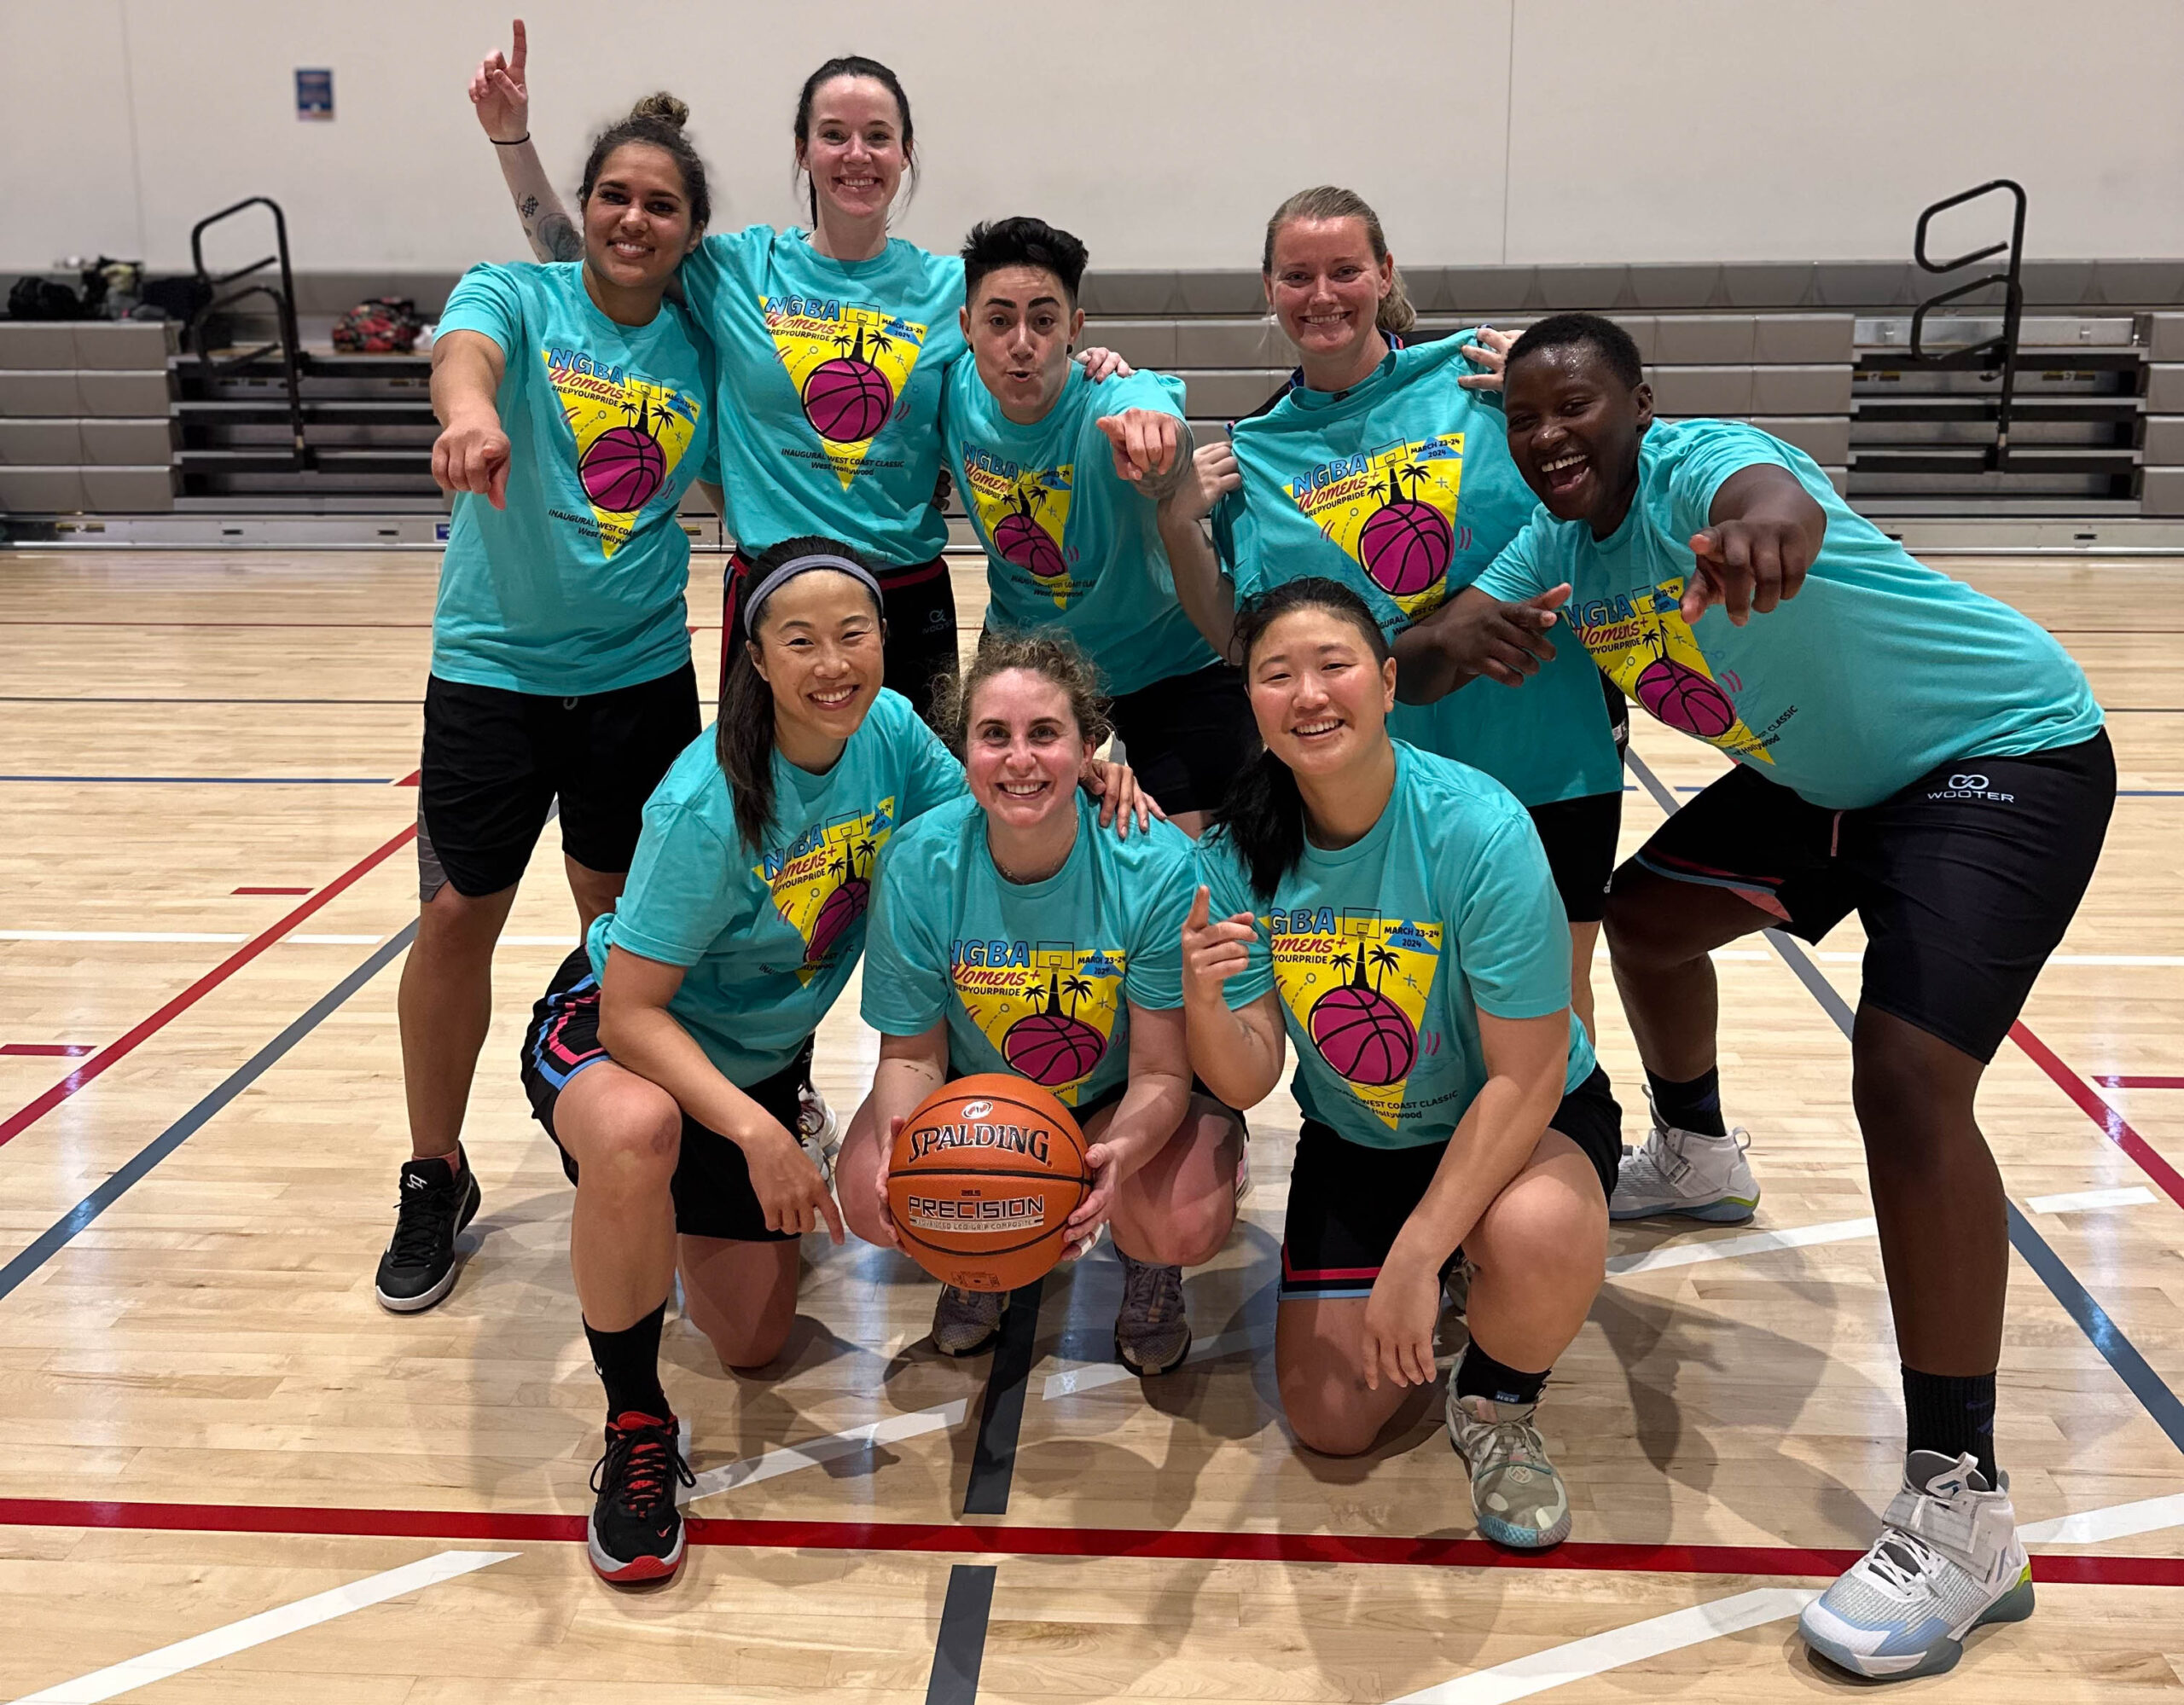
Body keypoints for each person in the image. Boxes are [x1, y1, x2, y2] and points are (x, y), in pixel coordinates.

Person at [1462, 313, 2111, 1676]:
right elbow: (1439, 642)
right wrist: (1434, 634)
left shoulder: (1709, 469)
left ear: (1642, 405)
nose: (1548, 436)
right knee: (1646, 919)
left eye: (1575, 406)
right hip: (1839, 791)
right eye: (1524, 419)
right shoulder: (1564, 556)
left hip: (2003, 756)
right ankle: (1696, 1152)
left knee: (1907, 1075)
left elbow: (1770, 499)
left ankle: (1964, 1503)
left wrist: (1768, 532)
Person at [515, 541, 1155, 1583]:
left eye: (853, 635)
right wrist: (760, 1131)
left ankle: (661, 1207)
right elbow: (634, 1011)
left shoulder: (892, 733)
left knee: (755, 1340)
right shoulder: (705, 803)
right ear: (755, 659)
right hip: (620, 1036)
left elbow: (1003, 796)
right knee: (639, 1133)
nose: (832, 662)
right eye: (799, 640)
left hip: (758, 1061)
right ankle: (635, 1426)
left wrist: (1094, 762)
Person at [468, 25, 1130, 723]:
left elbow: (1027, 356)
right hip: (774, 595)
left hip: (904, 596)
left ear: (905, 154)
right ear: (802, 150)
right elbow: (595, 256)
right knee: (769, 821)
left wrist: (1094, 366)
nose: (857, 155)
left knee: (912, 817)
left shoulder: (952, 292)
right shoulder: (734, 271)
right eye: (834, 134)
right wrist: (513, 142)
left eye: (878, 135)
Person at [1184, 577, 1620, 1551]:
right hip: (1362, 1135)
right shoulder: (1236, 851)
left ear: (1386, 682)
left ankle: (1498, 1402)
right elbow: (1249, 1080)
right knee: (1330, 1423)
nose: (1308, 694)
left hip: (1519, 1115)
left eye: (1333, 666)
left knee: (1538, 1230)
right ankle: (1460, 1261)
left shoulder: (1478, 829)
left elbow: (1528, 1074)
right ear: (1249, 699)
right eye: (1276, 674)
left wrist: (1418, 1253)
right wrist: (1210, 1003)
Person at [374, 96, 718, 1315]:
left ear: (690, 231)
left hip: (635, 672)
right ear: (585, 209)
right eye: (615, 195)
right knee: (460, 910)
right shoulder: (517, 296)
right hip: (491, 669)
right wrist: (467, 414)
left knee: (621, 926)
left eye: (660, 203)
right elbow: (463, 356)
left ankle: (624, 1138)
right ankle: (435, 1168)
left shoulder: (700, 341)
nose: (634, 218)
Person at [1153, 186, 1624, 1035]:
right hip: (1382, 775)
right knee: (1435, 995)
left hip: (1541, 742)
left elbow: (1604, 477)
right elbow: (1237, 637)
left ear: (1384, 273)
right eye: (1298, 275)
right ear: (1268, 289)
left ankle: (1564, 1151)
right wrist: (1179, 523)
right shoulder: (1257, 449)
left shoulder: (1481, 382)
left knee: (1554, 991)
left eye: (1344, 270)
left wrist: (1557, 392)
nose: (1322, 294)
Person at [846, 633, 1246, 1366]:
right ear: (963, 748)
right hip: (983, 1096)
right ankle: (983, 1258)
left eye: (1045, 734)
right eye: (994, 735)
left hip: (1116, 1092)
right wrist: (910, 1146)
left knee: (1180, 1217)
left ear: (1091, 745)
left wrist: (1115, 1154)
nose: (1020, 760)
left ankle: (1151, 1259)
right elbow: (911, 1054)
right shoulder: (917, 862)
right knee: (864, 1180)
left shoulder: (1153, 865)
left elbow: (1162, 1071)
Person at [942, 217, 1258, 834]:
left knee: (1197, 861)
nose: (1022, 342)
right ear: (967, 329)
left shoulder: (1112, 393)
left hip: (1170, 660)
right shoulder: (953, 391)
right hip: (1032, 653)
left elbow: (1154, 416)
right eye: (1000, 320)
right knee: (1004, 833)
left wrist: (1157, 446)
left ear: (1075, 329)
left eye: (1044, 319)